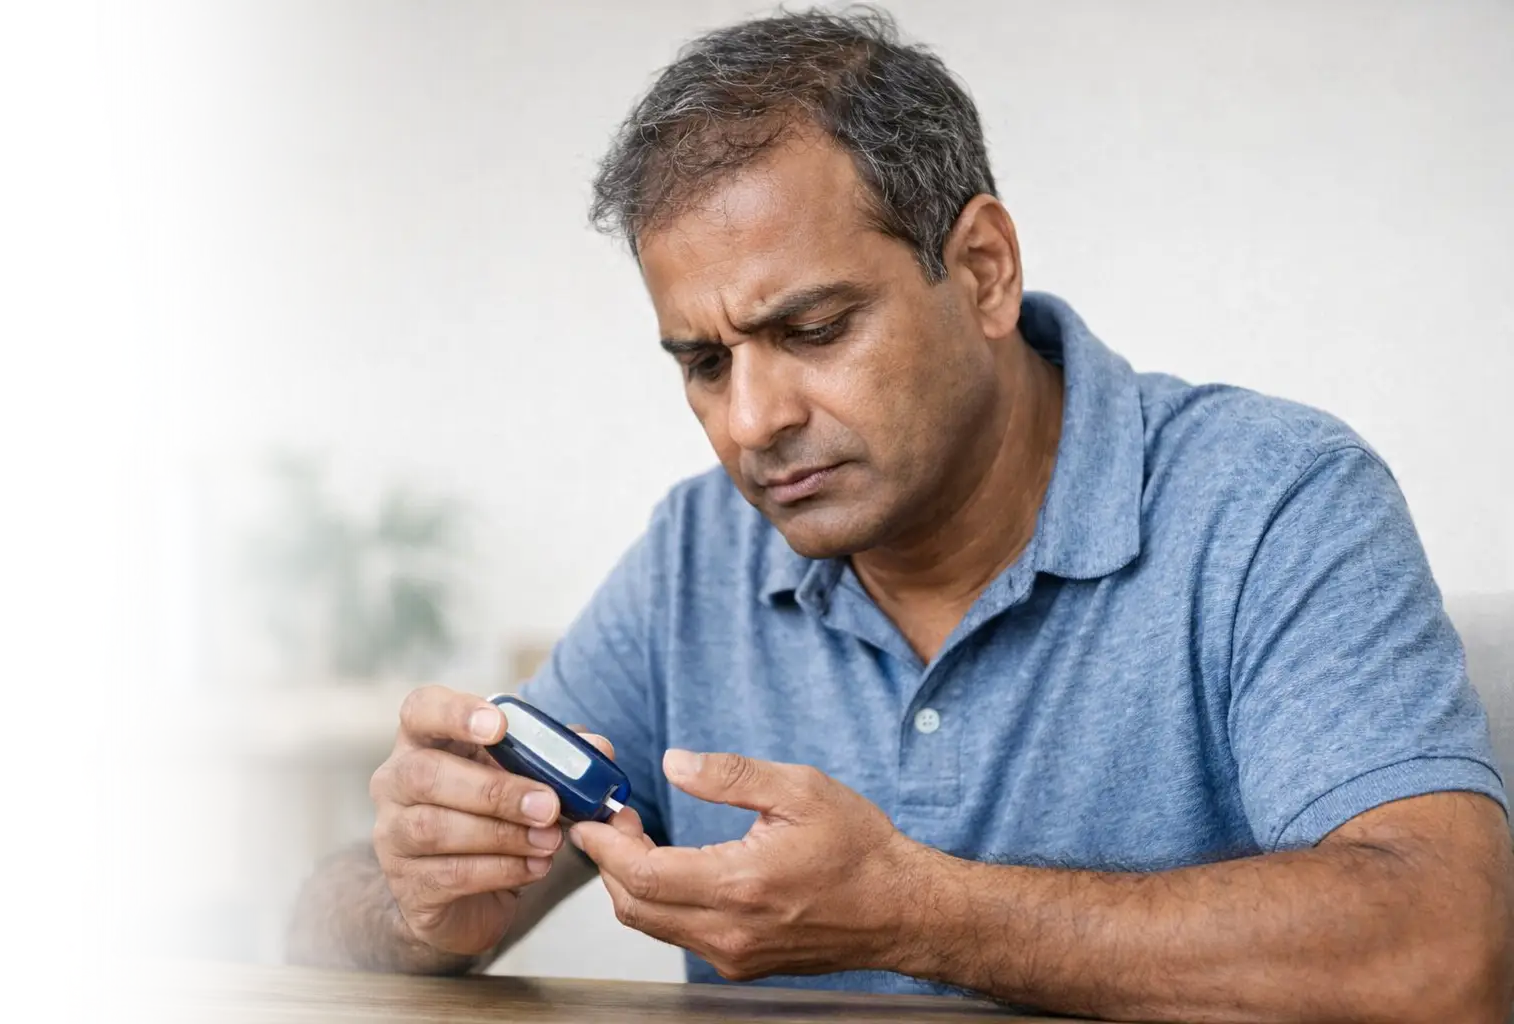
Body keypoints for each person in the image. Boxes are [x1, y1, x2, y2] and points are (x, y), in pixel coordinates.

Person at [283, 8, 1513, 1021]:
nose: (751, 420)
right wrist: (421, 898)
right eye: (703, 364)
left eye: (812, 331)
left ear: (981, 270)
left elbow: (1445, 954)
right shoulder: (697, 551)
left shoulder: (1273, 500)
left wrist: (918, 908)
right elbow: (316, 938)